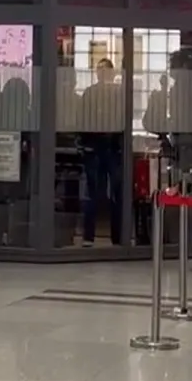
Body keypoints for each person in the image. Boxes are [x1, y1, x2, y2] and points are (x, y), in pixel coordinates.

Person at [79, 58, 127, 246]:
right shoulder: (95, 93)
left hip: (109, 147)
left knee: (112, 193)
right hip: (101, 147)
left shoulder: (113, 94)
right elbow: (82, 118)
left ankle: (108, 237)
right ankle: (97, 236)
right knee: (96, 192)